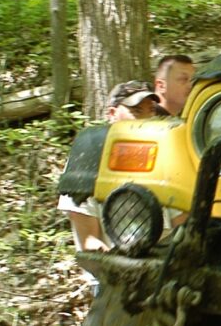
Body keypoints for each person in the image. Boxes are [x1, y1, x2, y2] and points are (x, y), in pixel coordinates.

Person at [59, 80, 161, 255]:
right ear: (112, 114)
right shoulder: (90, 157)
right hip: (111, 271)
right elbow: (89, 240)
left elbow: (180, 227)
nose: (146, 119)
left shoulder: (164, 157)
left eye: (151, 111)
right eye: (136, 111)